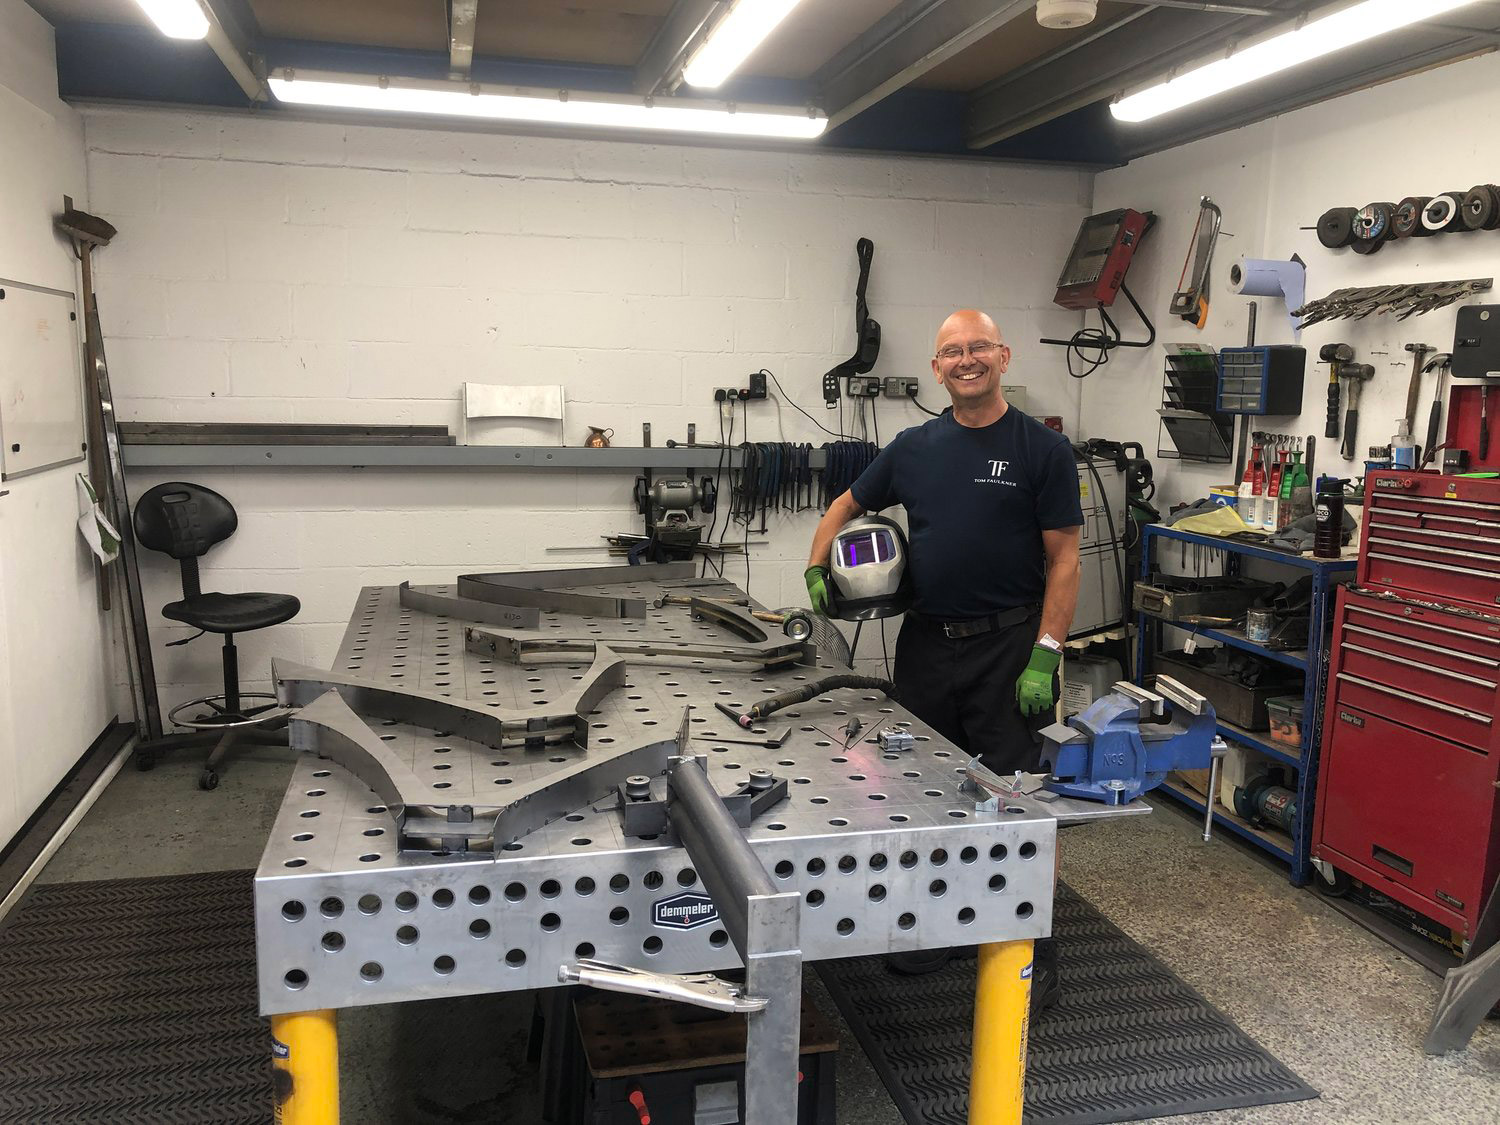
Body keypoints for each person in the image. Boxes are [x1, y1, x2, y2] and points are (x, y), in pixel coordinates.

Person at [805, 309, 1083, 774]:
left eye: (979, 347)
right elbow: (844, 506)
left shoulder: (1043, 450)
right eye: (952, 352)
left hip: (1008, 650)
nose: (966, 360)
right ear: (937, 368)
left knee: (1016, 790)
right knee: (920, 777)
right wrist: (816, 568)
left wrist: (1045, 655)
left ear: (1004, 357)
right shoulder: (913, 447)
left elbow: (1065, 562)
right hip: (925, 649)